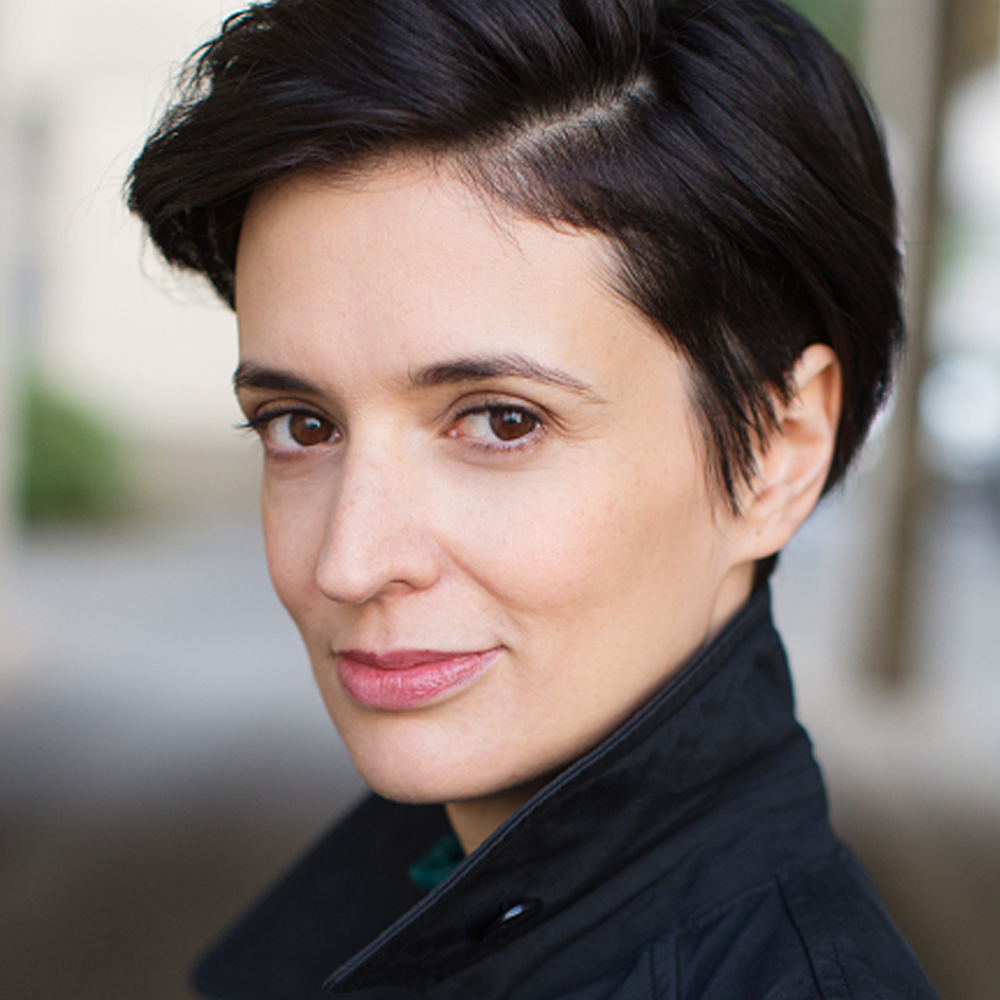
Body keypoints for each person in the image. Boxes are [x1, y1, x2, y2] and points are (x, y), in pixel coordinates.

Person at [127, 1, 940, 997]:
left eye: (502, 421)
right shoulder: (401, 903)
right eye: (301, 425)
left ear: (780, 447)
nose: (349, 560)